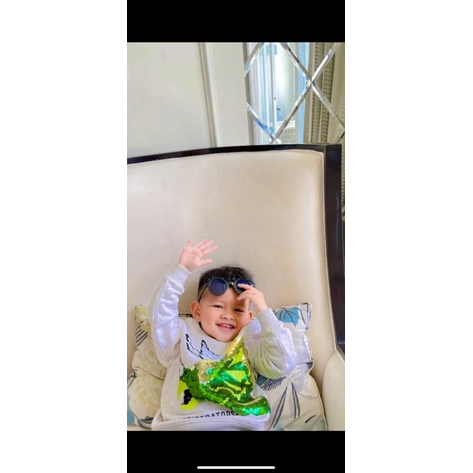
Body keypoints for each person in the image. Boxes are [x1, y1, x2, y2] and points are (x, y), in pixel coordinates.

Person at [149, 238, 296, 431]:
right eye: (218, 306)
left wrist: (264, 313)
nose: (228, 315)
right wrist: (181, 272)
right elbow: (160, 316)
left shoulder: (251, 339)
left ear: (249, 318)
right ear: (197, 311)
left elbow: (283, 364)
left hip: (241, 424)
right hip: (184, 425)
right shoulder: (181, 335)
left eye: (238, 310)